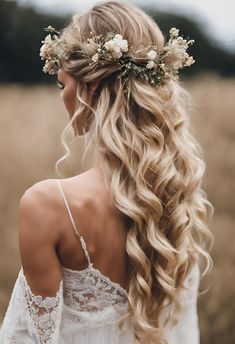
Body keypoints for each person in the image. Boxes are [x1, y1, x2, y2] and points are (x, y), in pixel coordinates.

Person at [0, 1, 214, 343]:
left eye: (62, 84)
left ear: (92, 89)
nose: (63, 97)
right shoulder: (179, 193)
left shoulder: (48, 205)